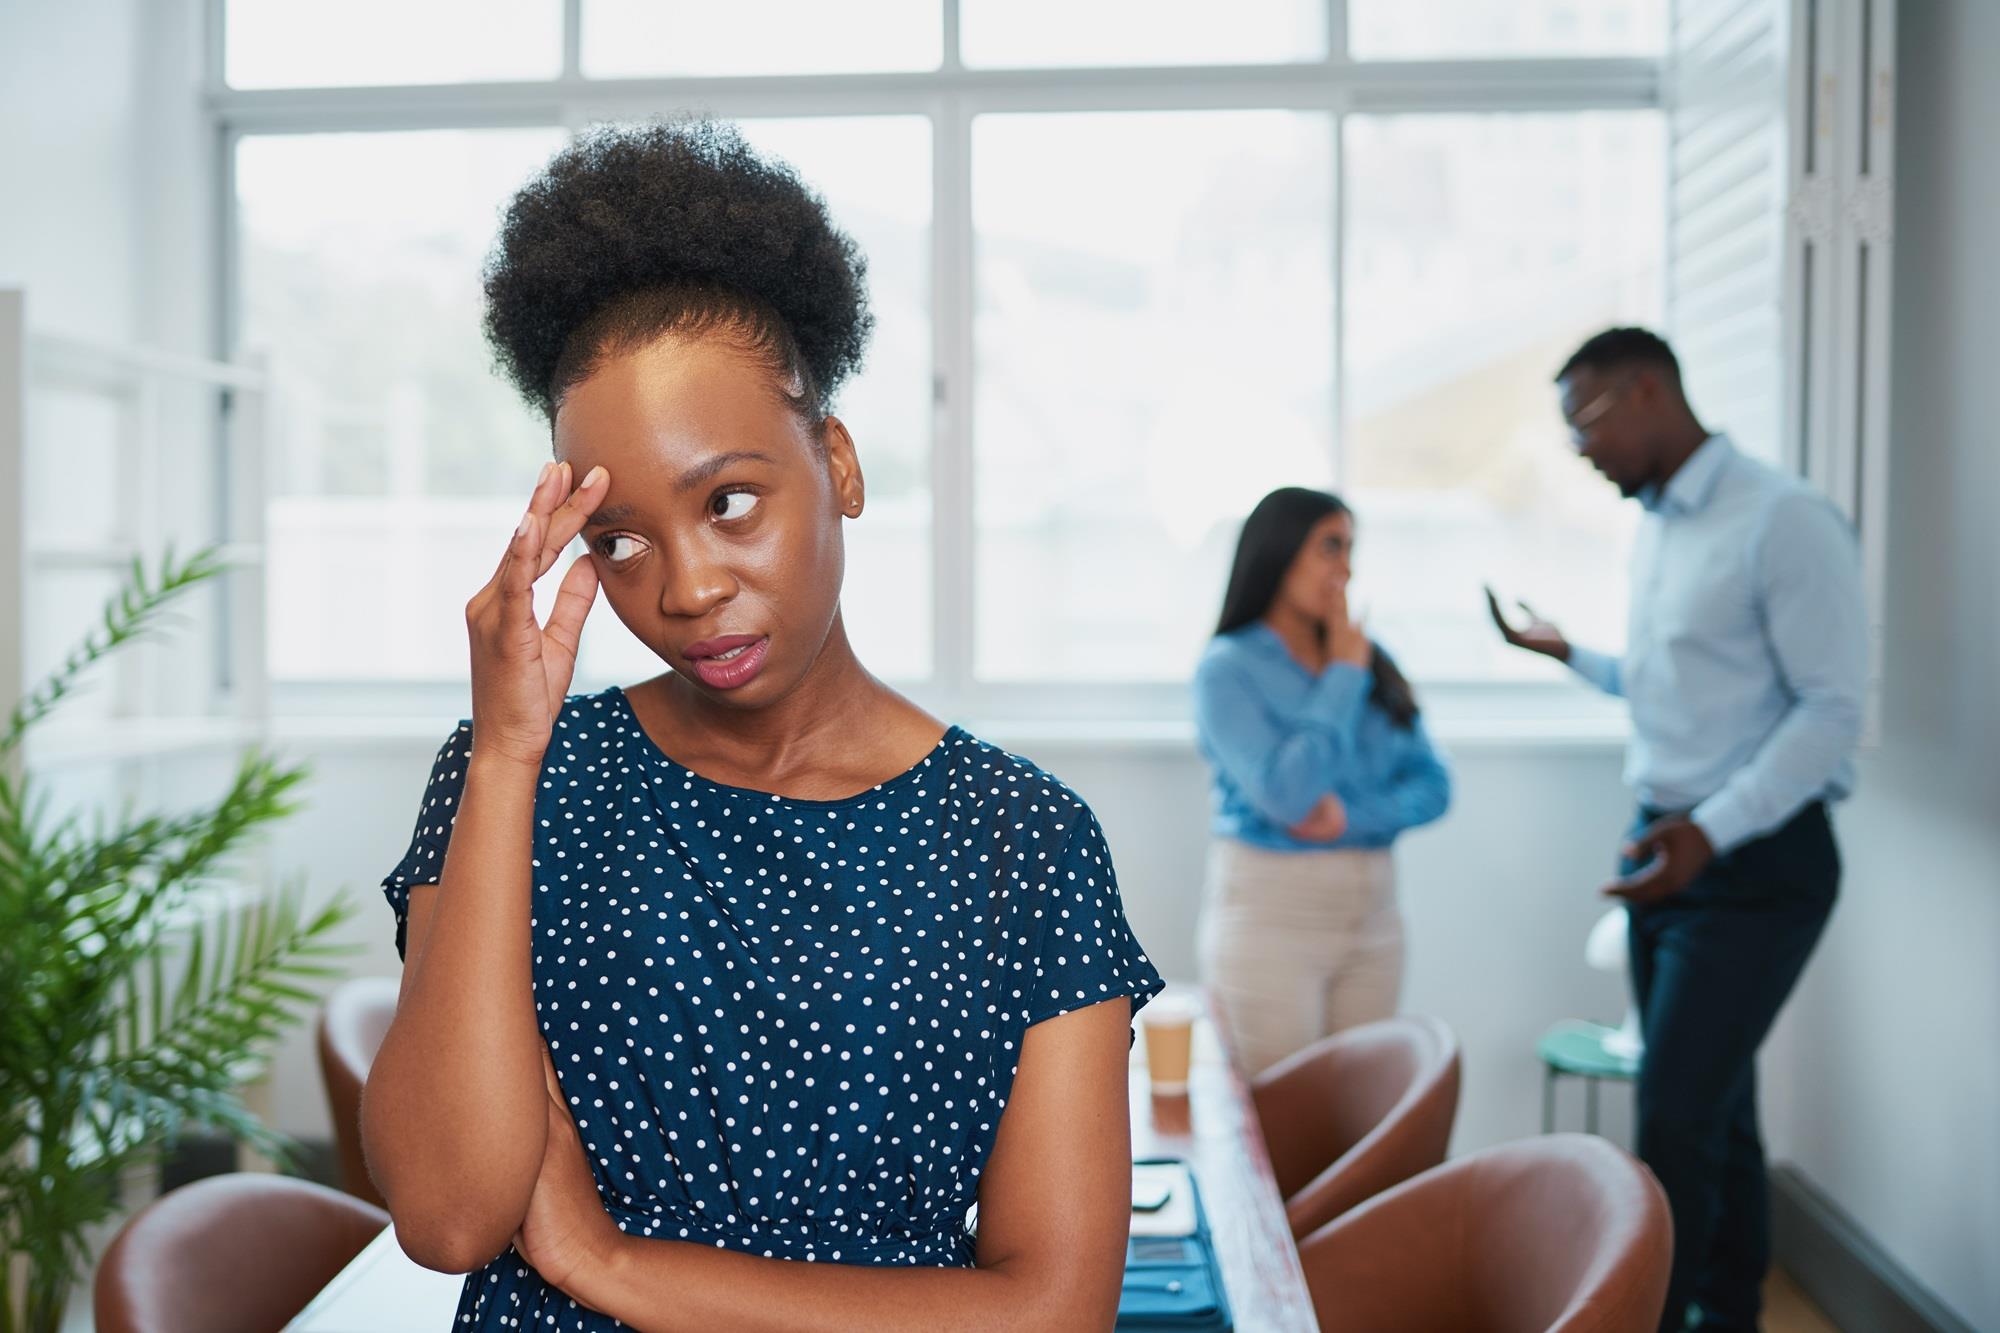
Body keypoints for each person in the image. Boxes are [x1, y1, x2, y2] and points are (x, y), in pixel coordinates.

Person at [358, 120, 1164, 1332]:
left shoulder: (1023, 842)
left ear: (835, 461)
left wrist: (613, 1264)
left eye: (730, 502)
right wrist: (509, 755)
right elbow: (447, 1217)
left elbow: (1051, 1312)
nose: (684, 589)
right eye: (618, 539)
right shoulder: (521, 778)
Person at [1489, 327, 1866, 1333]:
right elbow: (1677, 682)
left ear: (1645, 392)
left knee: (1670, 1115)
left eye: (1586, 426)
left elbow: (1831, 709)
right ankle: (1726, 1309)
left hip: (1753, 861)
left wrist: (1708, 829)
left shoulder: (1780, 520)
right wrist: (1569, 653)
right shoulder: (1658, 526)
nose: (1581, 454)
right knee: (1715, 1107)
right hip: (1663, 844)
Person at [1192, 487, 1451, 1078]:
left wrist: (1351, 818)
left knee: (1361, 1115)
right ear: (1278, 553)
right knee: (1279, 1120)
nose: (1347, 569)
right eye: (1329, 547)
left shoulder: (1368, 657)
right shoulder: (1227, 670)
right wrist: (1341, 676)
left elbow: (1435, 784)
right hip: (1272, 918)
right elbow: (1289, 795)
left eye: (1351, 549)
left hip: (1376, 918)